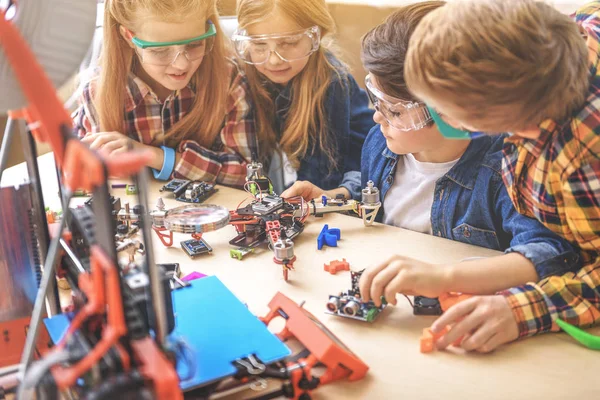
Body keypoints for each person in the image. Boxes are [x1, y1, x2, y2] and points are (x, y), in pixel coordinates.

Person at [404, 0, 600, 351]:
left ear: (512, 119)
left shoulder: (584, 154)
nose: (448, 122)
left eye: (453, 115)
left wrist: (522, 309)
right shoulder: (570, 31)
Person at [73, 0, 256, 187]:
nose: (181, 65)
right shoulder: (97, 93)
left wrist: (156, 157)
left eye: (194, 45)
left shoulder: (227, 78)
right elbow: (90, 179)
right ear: (128, 37)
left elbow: (248, 175)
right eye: (160, 51)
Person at [234, 0, 375, 195]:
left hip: (356, 183)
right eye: (259, 44)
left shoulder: (332, 83)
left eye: (289, 42)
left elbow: (321, 180)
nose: (274, 59)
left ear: (317, 35)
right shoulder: (253, 74)